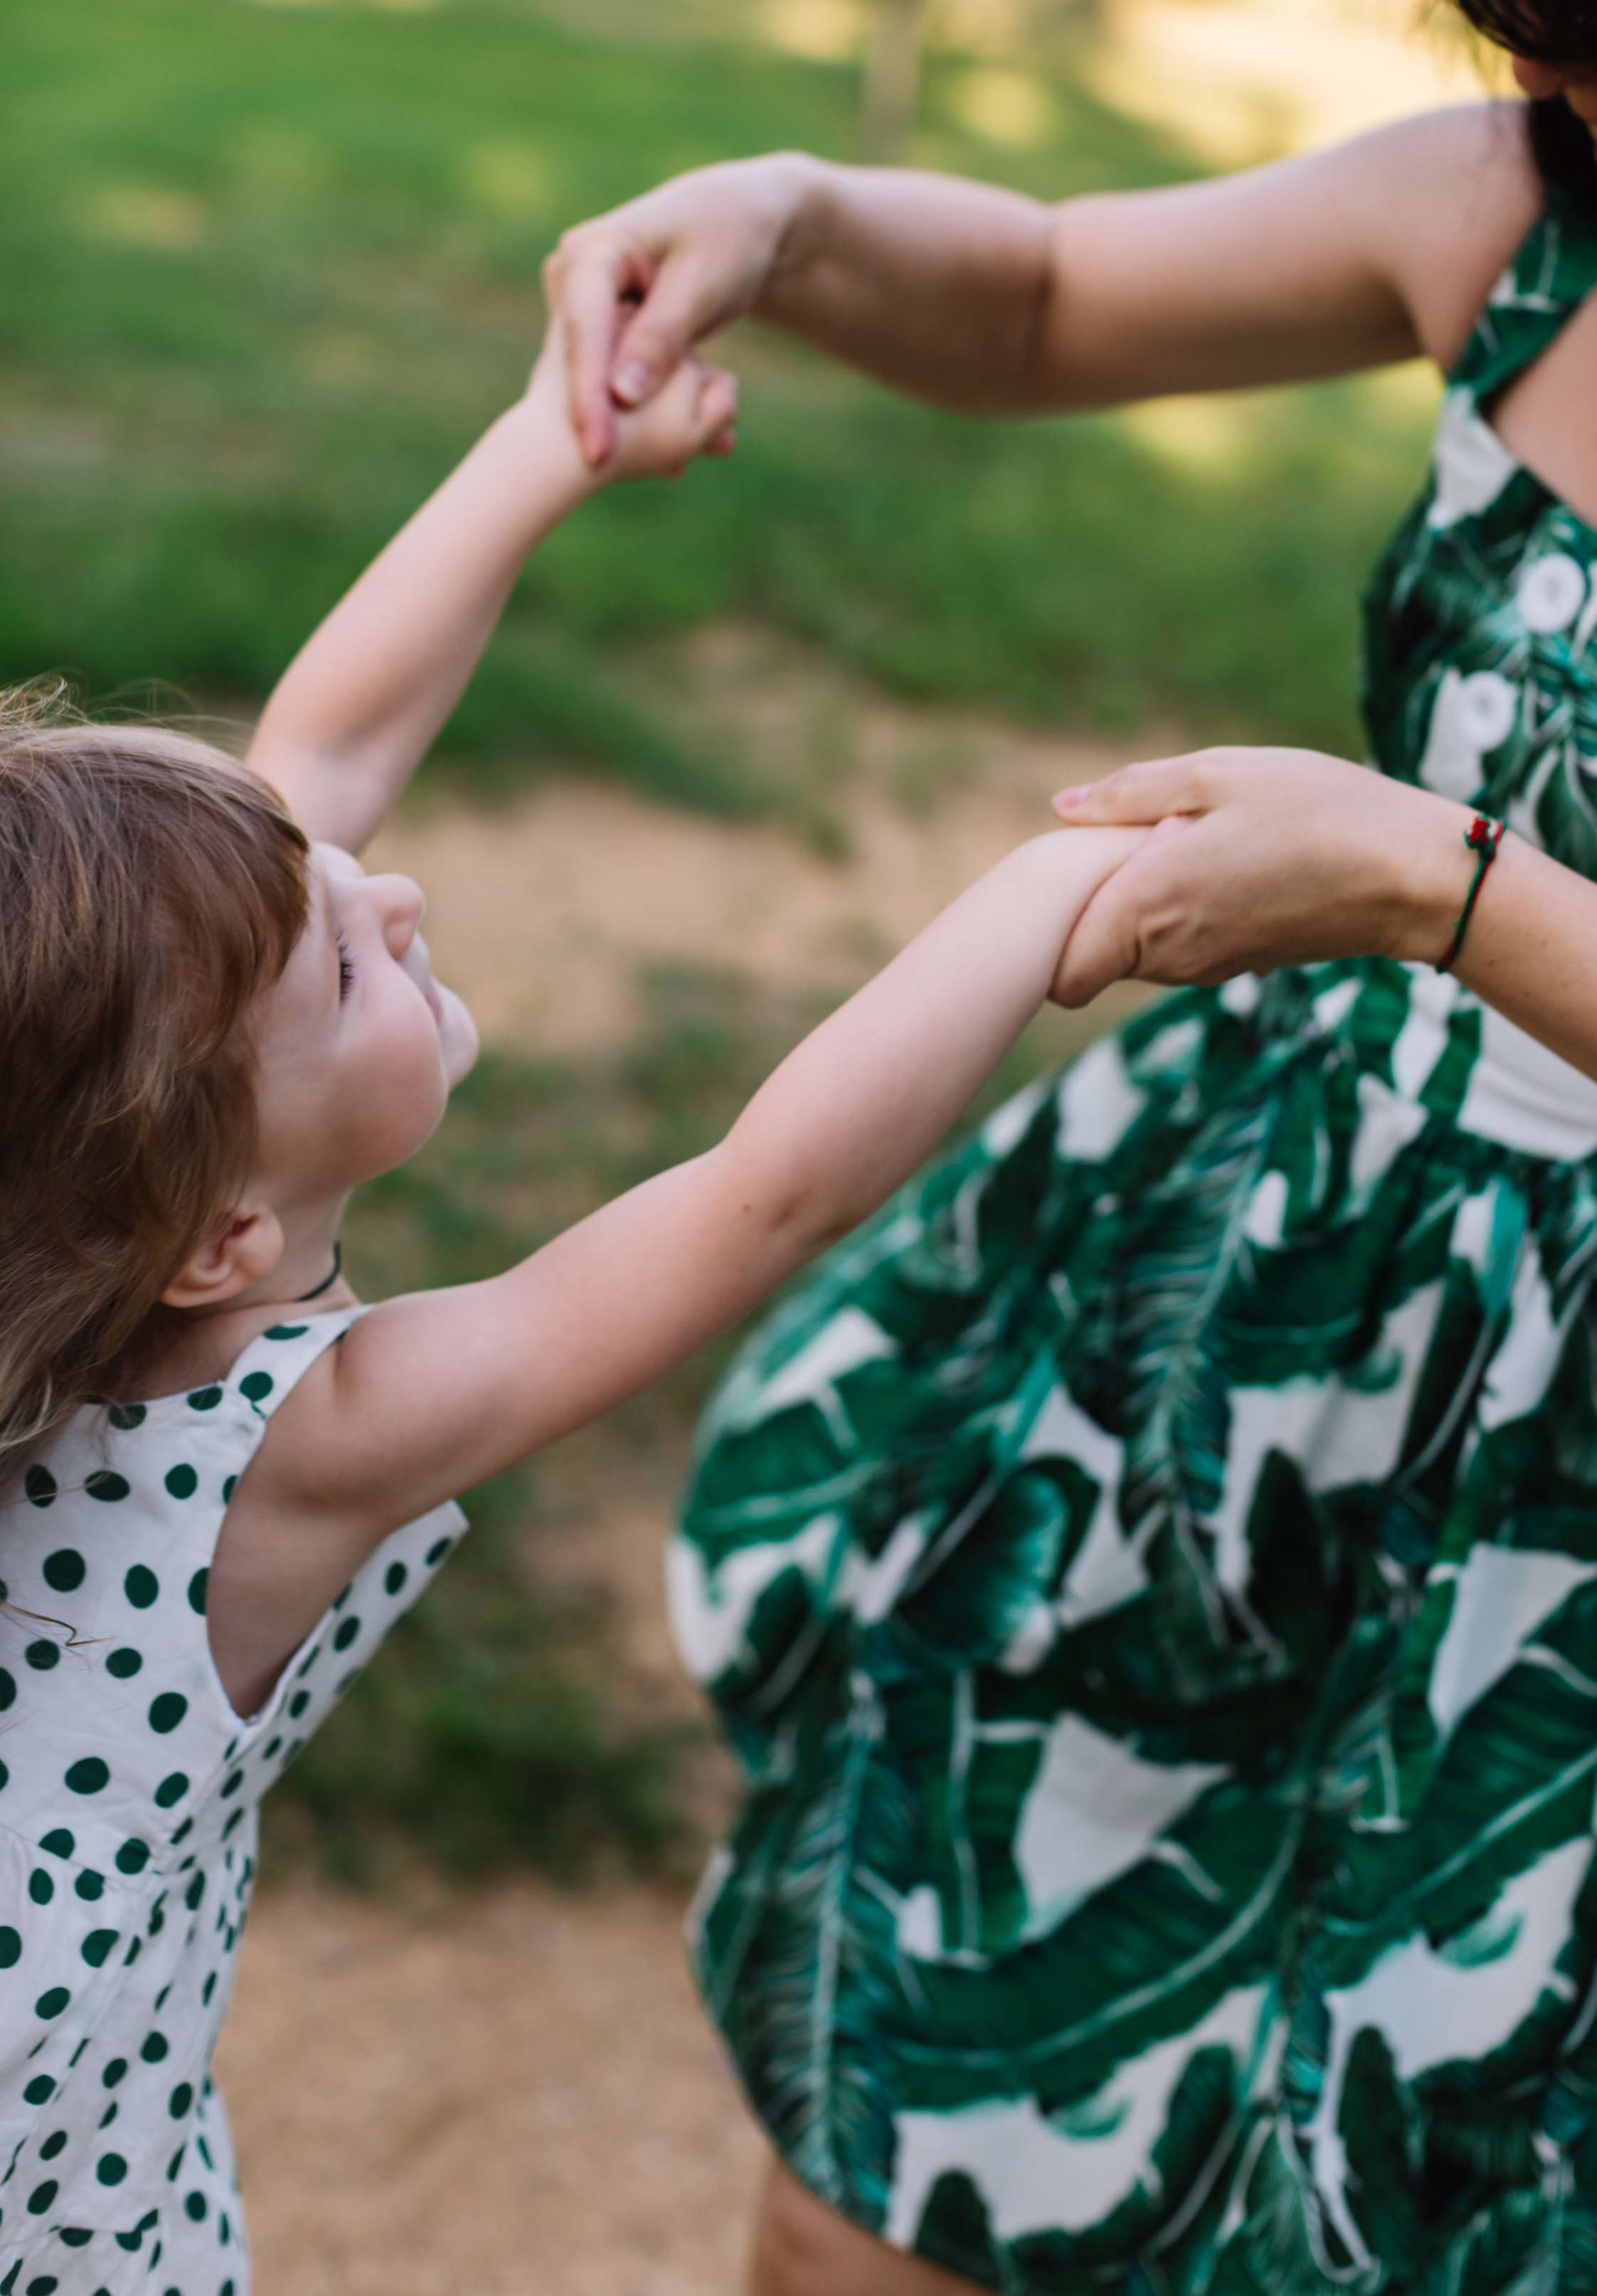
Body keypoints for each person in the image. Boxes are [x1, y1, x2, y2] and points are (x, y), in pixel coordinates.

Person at [541, 0, 1597, 2289]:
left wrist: (1438, 890)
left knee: (1387, 2192)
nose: (1534, 48)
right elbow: (1027, 293)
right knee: (914, 2042)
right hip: (1232, 1320)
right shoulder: (1526, 212)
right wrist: (783, 211)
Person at [0, 288, 1149, 2296]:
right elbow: (758, 1203)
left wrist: (549, 444)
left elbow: (325, 749)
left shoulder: (70, 1222)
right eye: (345, 965)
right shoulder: (290, 1455)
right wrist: (1048, 903)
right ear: (217, 1250)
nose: (387, 889)